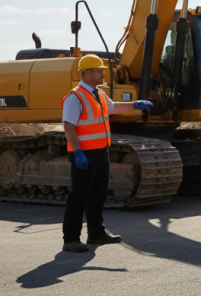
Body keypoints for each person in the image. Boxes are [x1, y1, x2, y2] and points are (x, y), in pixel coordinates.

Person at [61, 54, 152, 253]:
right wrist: (78, 153)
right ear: (88, 73)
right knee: (79, 196)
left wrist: (135, 104)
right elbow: (68, 126)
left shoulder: (99, 94)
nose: (104, 73)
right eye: (100, 70)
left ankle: (96, 233)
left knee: (98, 195)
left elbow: (113, 108)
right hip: (84, 154)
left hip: (101, 151)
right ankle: (70, 240)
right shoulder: (74, 97)